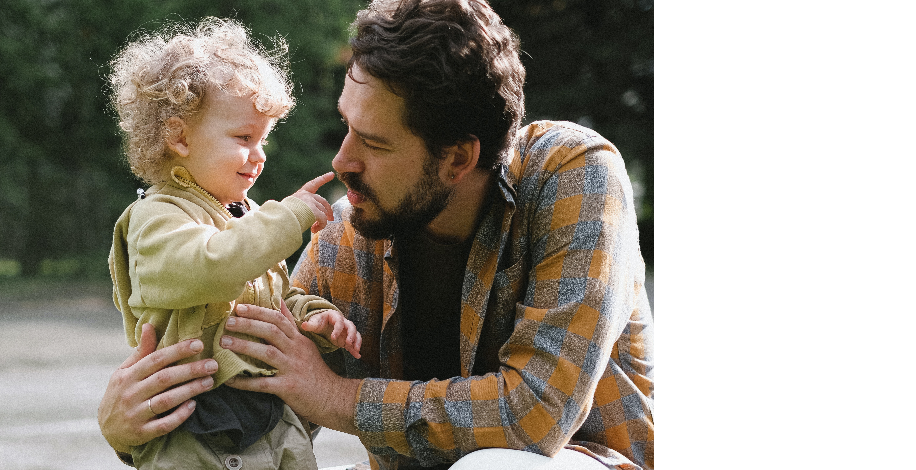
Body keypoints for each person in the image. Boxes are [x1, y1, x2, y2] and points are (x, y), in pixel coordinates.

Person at [100, 1, 654, 469]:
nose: (343, 161)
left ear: (457, 157)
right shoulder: (351, 231)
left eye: (376, 143)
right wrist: (133, 425)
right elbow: (271, 395)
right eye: (346, 126)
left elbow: (537, 416)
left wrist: (335, 396)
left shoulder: (572, 174)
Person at [104, 17, 364, 470]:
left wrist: (313, 317)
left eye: (264, 139)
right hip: (191, 429)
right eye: (244, 138)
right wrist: (290, 214)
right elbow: (211, 269)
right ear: (179, 137)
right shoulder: (157, 218)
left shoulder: (242, 215)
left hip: (266, 420)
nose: (260, 154)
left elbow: (271, 298)